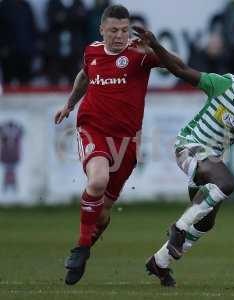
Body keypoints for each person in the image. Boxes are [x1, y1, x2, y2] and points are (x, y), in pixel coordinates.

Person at [133, 26, 234, 287]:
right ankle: (177, 229)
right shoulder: (224, 85)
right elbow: (180, 70)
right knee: (227, 183)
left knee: (206, 223)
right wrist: (154, 44)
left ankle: (160, 262)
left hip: (211, 160)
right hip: (189, 146)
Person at [54, 5, 160, 285]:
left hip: (125, 143)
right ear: (102, 29)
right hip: (92, 129)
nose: (119, 36)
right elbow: (84, 76)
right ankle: (80, 247)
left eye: (124, 30)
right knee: (98, 180)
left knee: (102, 215)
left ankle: (85, 247)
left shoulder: (140, 54)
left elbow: (173, 64)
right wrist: (69, 105)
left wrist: (156, 47)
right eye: (113, 30)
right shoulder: (92, 51)